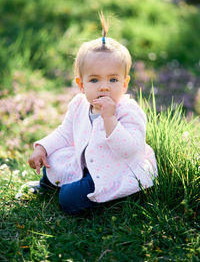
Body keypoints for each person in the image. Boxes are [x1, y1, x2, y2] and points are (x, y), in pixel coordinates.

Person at [21, 12, 157, 215]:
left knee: (68, 199)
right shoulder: (79, 105)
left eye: (113, 80)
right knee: (55, 159)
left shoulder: (128, 112)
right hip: (87, 162)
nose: (104, 87)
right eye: (94, 80)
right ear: (81, 84)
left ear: (125, 83)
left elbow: (130, 150)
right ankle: (46, 185)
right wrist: (43, 148)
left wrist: (110, 120)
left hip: (114, 169)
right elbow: (65, 134)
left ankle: (116, 198)